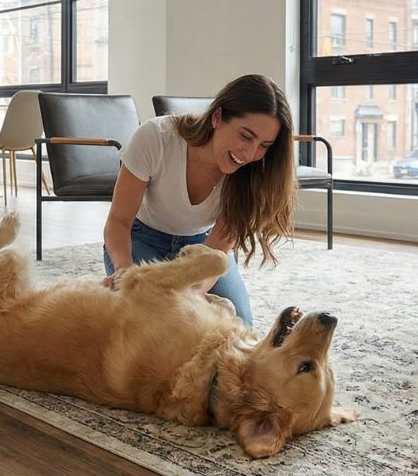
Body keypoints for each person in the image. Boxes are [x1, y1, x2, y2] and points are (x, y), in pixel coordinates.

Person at [102, 74, 297, 327]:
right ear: (217, 117)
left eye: (264, 145)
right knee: (149, 324)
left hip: (204, 248)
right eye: (246, 136)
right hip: (140, 239)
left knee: (238, 326)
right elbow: (118, 221)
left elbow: (217, 249)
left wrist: (193, 294)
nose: (250, 153)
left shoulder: (256, 173)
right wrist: (124, 269)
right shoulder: (155, 138)